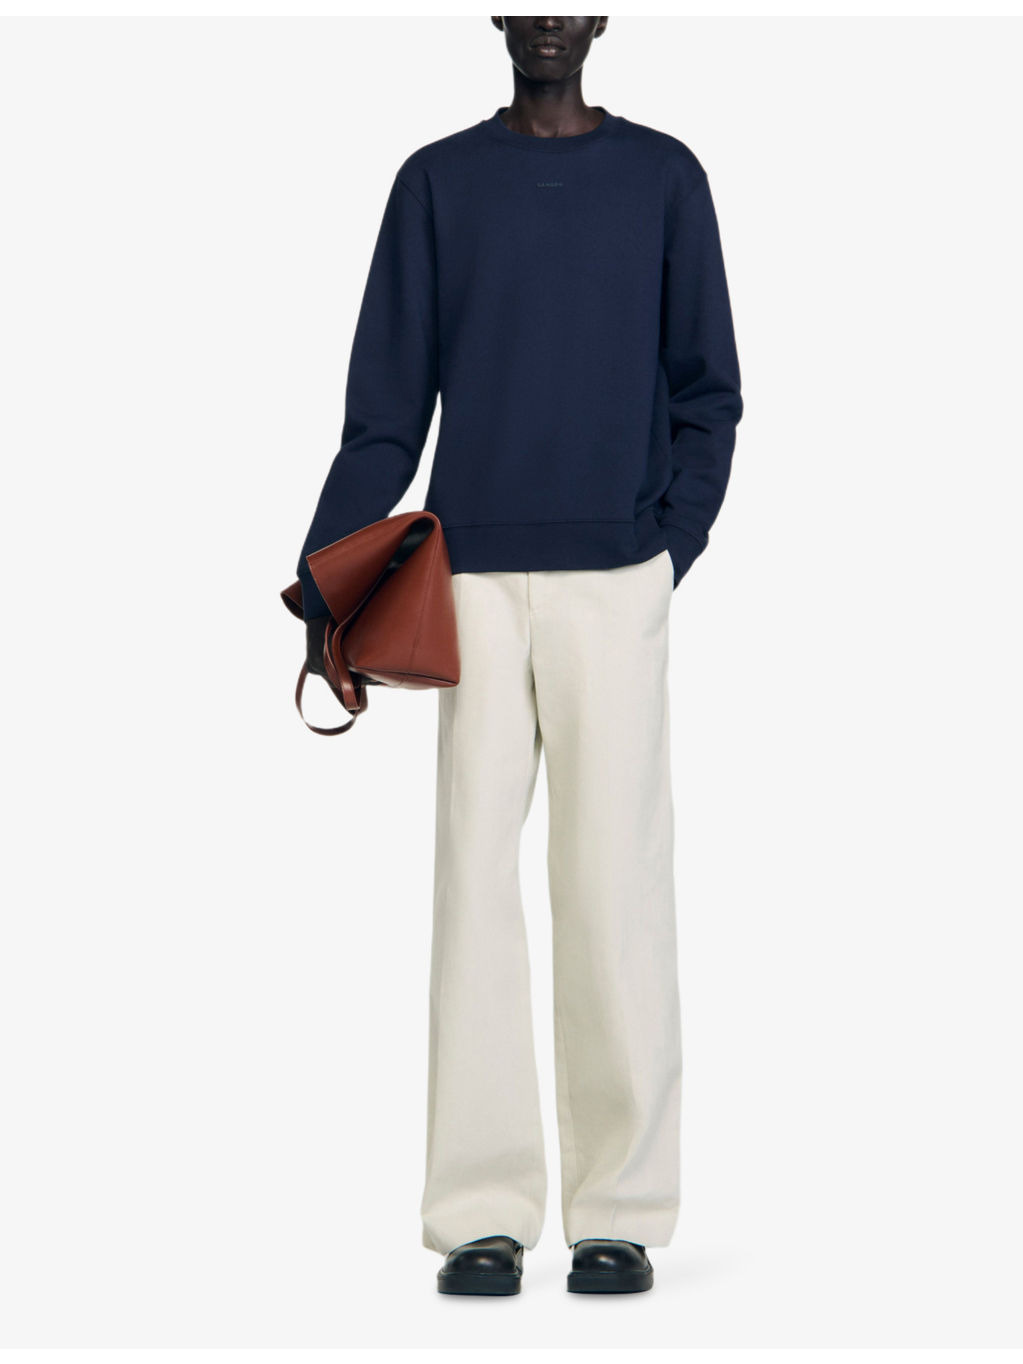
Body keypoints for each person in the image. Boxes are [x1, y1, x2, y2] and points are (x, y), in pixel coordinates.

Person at [295, 16, 743, 1296]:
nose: (548, 17)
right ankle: (480, 1210)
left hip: (620, 577)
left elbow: (707, 389)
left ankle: (620, 1209)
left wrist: (666, 548)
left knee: (616, 886)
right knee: (474, 889)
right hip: (471, 582)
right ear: (494, 15)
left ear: (602, 18)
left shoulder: (665, 177)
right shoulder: (437, 182)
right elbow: (385, 409)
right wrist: (327, 575)